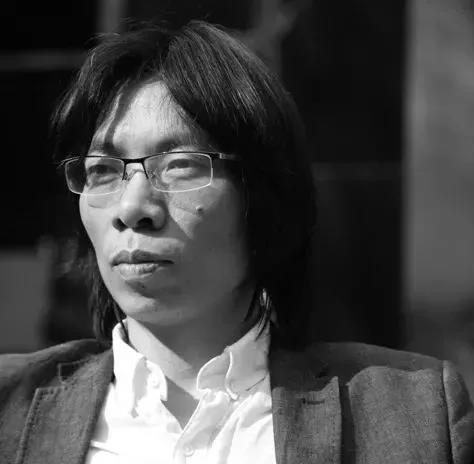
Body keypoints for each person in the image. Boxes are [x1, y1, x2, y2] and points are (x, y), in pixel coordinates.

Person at [0, 20, 473, 464]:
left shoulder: (412, 412)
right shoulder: (11, 408)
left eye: (179, 165)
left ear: (262, 195)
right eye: (103, 170)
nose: (132, 207)